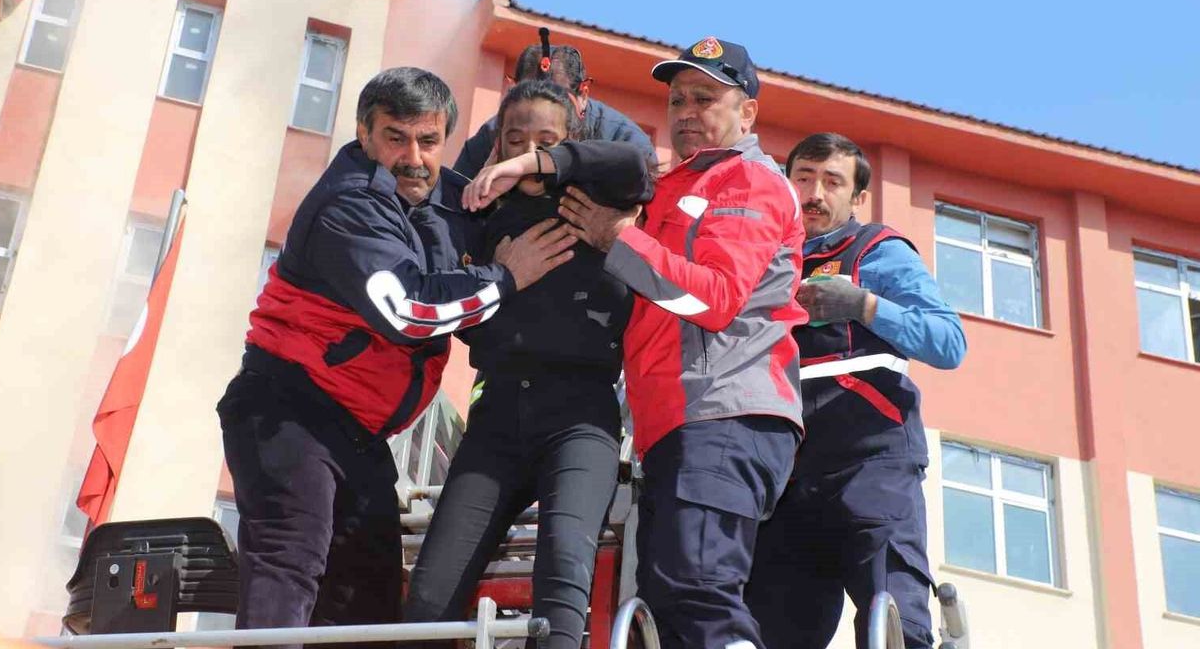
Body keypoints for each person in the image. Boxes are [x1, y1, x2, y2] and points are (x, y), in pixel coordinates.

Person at [215, 67, 575, 649]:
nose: (413, 157)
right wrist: (506, 278)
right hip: (289, 409)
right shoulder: (349, 202)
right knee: (290, 563)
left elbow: (581, 181)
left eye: (428, 141)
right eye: (395, 137)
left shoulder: (446, 199)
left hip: (358, 433)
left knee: (370, 602)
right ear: (364, 133)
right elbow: (409, 310)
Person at [558, 37, 806, 649]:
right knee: (672, 602)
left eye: (704, 98)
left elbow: (714, 297)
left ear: (748, 112)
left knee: (696, 589)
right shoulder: (674, 185)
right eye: (676, 100)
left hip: (723, 413)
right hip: (678, 421)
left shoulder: (748, 179)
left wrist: (619, 237)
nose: (686, 112)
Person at [401, 80, 653, 649]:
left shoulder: (600, 200)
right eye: (515, 140)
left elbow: (637, 165)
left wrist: (541, 163)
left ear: (572, 143)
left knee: (563, 570)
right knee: (430, 596)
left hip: (581, 419)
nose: (528, 153)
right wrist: (503, 274)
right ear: (496, 145)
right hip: (496, 418)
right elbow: (454, 313)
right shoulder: (480, 212)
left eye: (547, 141)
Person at [745, 133, 967, 649]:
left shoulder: (878, 250)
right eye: (803, 178)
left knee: (894, 620)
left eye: (832, 182)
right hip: (783, 472)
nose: (814, 194)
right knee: (767, 631)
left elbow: (948, 342)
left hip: (870, 458)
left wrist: (864, 306)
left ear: (857, 197)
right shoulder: (760, 257)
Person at [450, 39, 656, 180]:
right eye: (516, 140)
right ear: (511, 91)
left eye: (557, 101)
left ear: (583, 94)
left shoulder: (625, 138)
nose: (542, 114)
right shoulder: (490, 136)